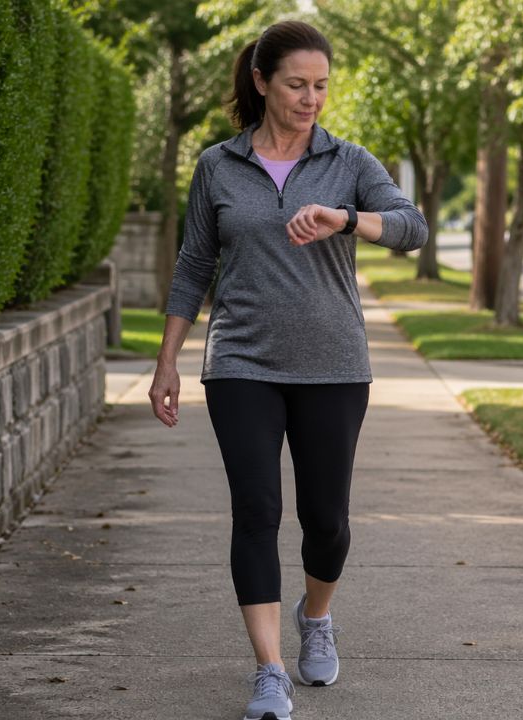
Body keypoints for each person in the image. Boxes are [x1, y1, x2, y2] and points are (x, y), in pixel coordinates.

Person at [147, 19, 428, 720]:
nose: (311, 99)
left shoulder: (349, 162)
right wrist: (168, 361)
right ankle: (268, 671)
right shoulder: (218, 165)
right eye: (298, 84)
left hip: (333, 365)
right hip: (240, 361)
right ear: (262, 81)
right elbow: (192, 266)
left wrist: (347, 219)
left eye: (322, 86)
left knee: (325, 519)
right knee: (256, 511)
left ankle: (318, 615)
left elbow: (411, 226)